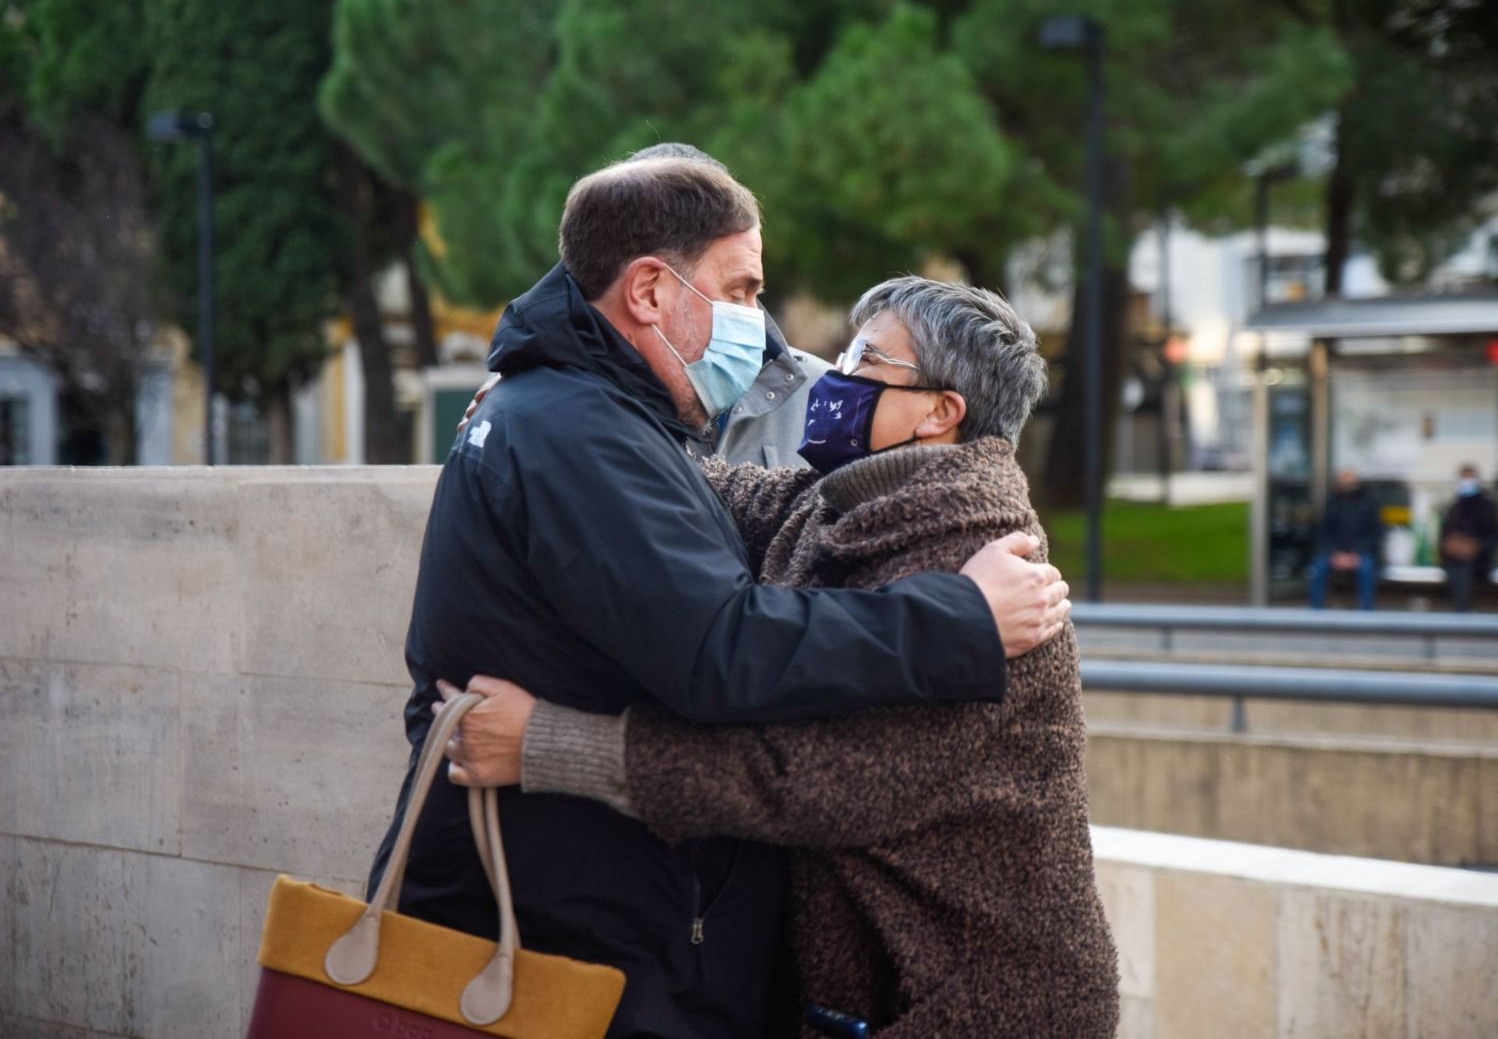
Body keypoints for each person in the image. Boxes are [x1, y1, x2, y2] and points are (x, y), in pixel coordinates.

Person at [372, 157, 1070, 1039]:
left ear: (941, 411)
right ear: (652, 293)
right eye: (741, 292)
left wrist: (539, 392)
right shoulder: (580, 430)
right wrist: (958, 620)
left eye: (864, 360)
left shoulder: (970, 545)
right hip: (582, 929)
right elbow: (722, 646)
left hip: (958, 1000)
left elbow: (815, 774)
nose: (775, 338)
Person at [461, 142, 826, 468]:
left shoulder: (823, 395)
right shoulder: (544, 414)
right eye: (734, 292)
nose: (751, 318)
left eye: (749, 292)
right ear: (646, 289)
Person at [1307, 468, 1383, 611]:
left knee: (1367, 568)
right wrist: (1334, 554)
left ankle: (1367, 613)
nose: (1347, 487)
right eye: (1344, 483)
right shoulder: (1332, 503)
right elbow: (1322, 532)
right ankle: (1315, 612)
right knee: (1318, 567)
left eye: (1351, 483)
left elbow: (1376, 534)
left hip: (1361, 554)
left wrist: (1357, 554)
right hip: (1335, 554)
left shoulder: (1370, 503)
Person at [1438, 462, 1498, 613]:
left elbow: (1497, 535)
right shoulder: (1455, 506)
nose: (1466, 483)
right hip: (1453, 560)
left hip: (1478, 562)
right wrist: (1449, 546)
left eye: (1470, 478)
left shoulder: (1487, 506)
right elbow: (1444, 535)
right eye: (1464, 479)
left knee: (1464, 574)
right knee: (1457, 571)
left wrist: (1476, 546)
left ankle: (1462, 616)